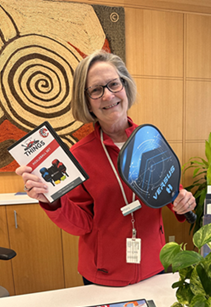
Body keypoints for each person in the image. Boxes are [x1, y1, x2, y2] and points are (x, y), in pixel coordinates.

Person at [16, 50, 196, 287]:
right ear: (87, 101)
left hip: (155, 265)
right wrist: (52, 201)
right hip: (103, 275)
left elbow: (168, 189)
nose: (108, 95)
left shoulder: (148, 138)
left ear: (125, 86)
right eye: (96, 90)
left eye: (113, 84)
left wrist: (183, 202)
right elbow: (82, 224)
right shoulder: (79, 155)